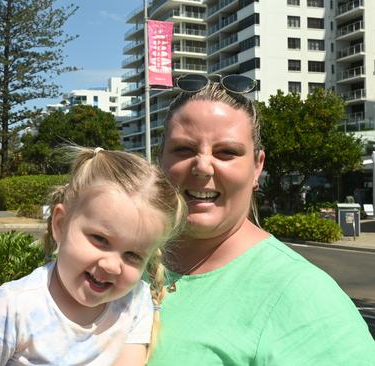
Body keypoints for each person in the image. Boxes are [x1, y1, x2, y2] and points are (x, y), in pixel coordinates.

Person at [148, 74, 375, 365]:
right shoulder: (119, 258)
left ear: (257, 167)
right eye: (184, 150)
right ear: (160, 159)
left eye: (226, 152)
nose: (202, 166)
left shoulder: (305, 295)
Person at [0, 146, 187, 365]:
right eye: (100, 239)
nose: (112, 266)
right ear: (60, 224)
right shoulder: (11, 308)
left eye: (133, 255)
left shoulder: (134, 302)